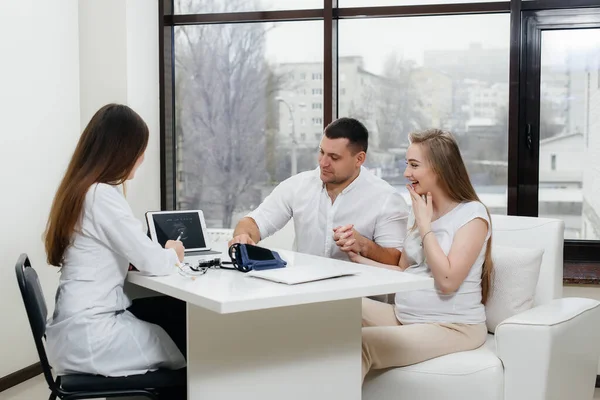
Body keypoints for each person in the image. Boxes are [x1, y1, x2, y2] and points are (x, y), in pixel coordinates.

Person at [44, 104, 186, 396]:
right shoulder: (100, 195)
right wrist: (173, 251)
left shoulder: (82, 190)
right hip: (92, 336)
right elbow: (153, 261)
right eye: (140, 149)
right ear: (122, 151)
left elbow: (111, 250)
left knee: (172, 312)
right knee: (191, 334)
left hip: (77, 327)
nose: (143, 157)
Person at [344, 129, 493, 381]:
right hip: (405, 317)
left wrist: (425, 227)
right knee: (329, 312)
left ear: (440, 169)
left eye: (414, 165)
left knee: (359, 345)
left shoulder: (472, 216)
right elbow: (406, 273)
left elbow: (447, 282)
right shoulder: (422, 209)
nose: (406, 173)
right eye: (407, 164)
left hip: (453, 326)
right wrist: (361, 259)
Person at [229, 117, 409, 265]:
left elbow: (396, 259)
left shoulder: (386, 198)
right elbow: (254, 222)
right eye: (322, 152)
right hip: (305, 292)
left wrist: (363, 245)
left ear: (359, 159)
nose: (323, 162)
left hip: (358, 299)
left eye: (334, 157)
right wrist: (243, 237)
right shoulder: (299, 185)